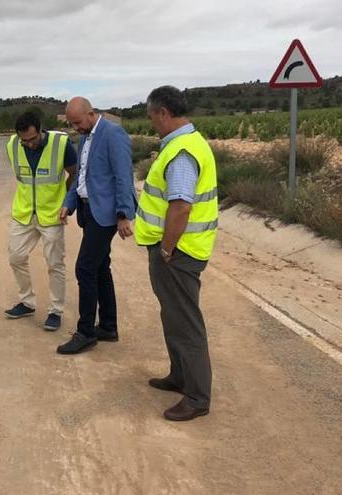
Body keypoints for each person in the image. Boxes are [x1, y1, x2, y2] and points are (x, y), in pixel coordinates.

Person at [135, 86, 218, 422]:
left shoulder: (182, 151)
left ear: (164, 113)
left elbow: (181, 207)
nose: (153, 123)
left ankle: (197, 397)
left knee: (185, 323)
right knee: (173, 315)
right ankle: (180, 376)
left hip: (178, 253)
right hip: (177, 251)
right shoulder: (186, 143)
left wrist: (167, 247)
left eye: (153, 117)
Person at [57, 97, 136, 355]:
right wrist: (68, 204)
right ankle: (109, 326)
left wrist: (124, 213)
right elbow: (80, 176)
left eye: (77, 122)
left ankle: (86, 331)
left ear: (90, 114)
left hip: (106, 213)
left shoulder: (113, 134)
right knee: (101, 267)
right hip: (88, 210)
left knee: (85, 268)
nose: (75, 127)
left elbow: (124, 176)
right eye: (71, 123)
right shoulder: (84, 137)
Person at [4, 112, 77, 331]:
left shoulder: (61, 144)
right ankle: (27, 302)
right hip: (24, 213)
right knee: (16, 256)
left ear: (40, 130)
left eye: (32, 139)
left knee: (55, 263)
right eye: (23, 140)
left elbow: (73, 173)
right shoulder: (13, 145)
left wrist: (66, 200)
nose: (28, 144)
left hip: (52, 215)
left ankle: (55, 311)